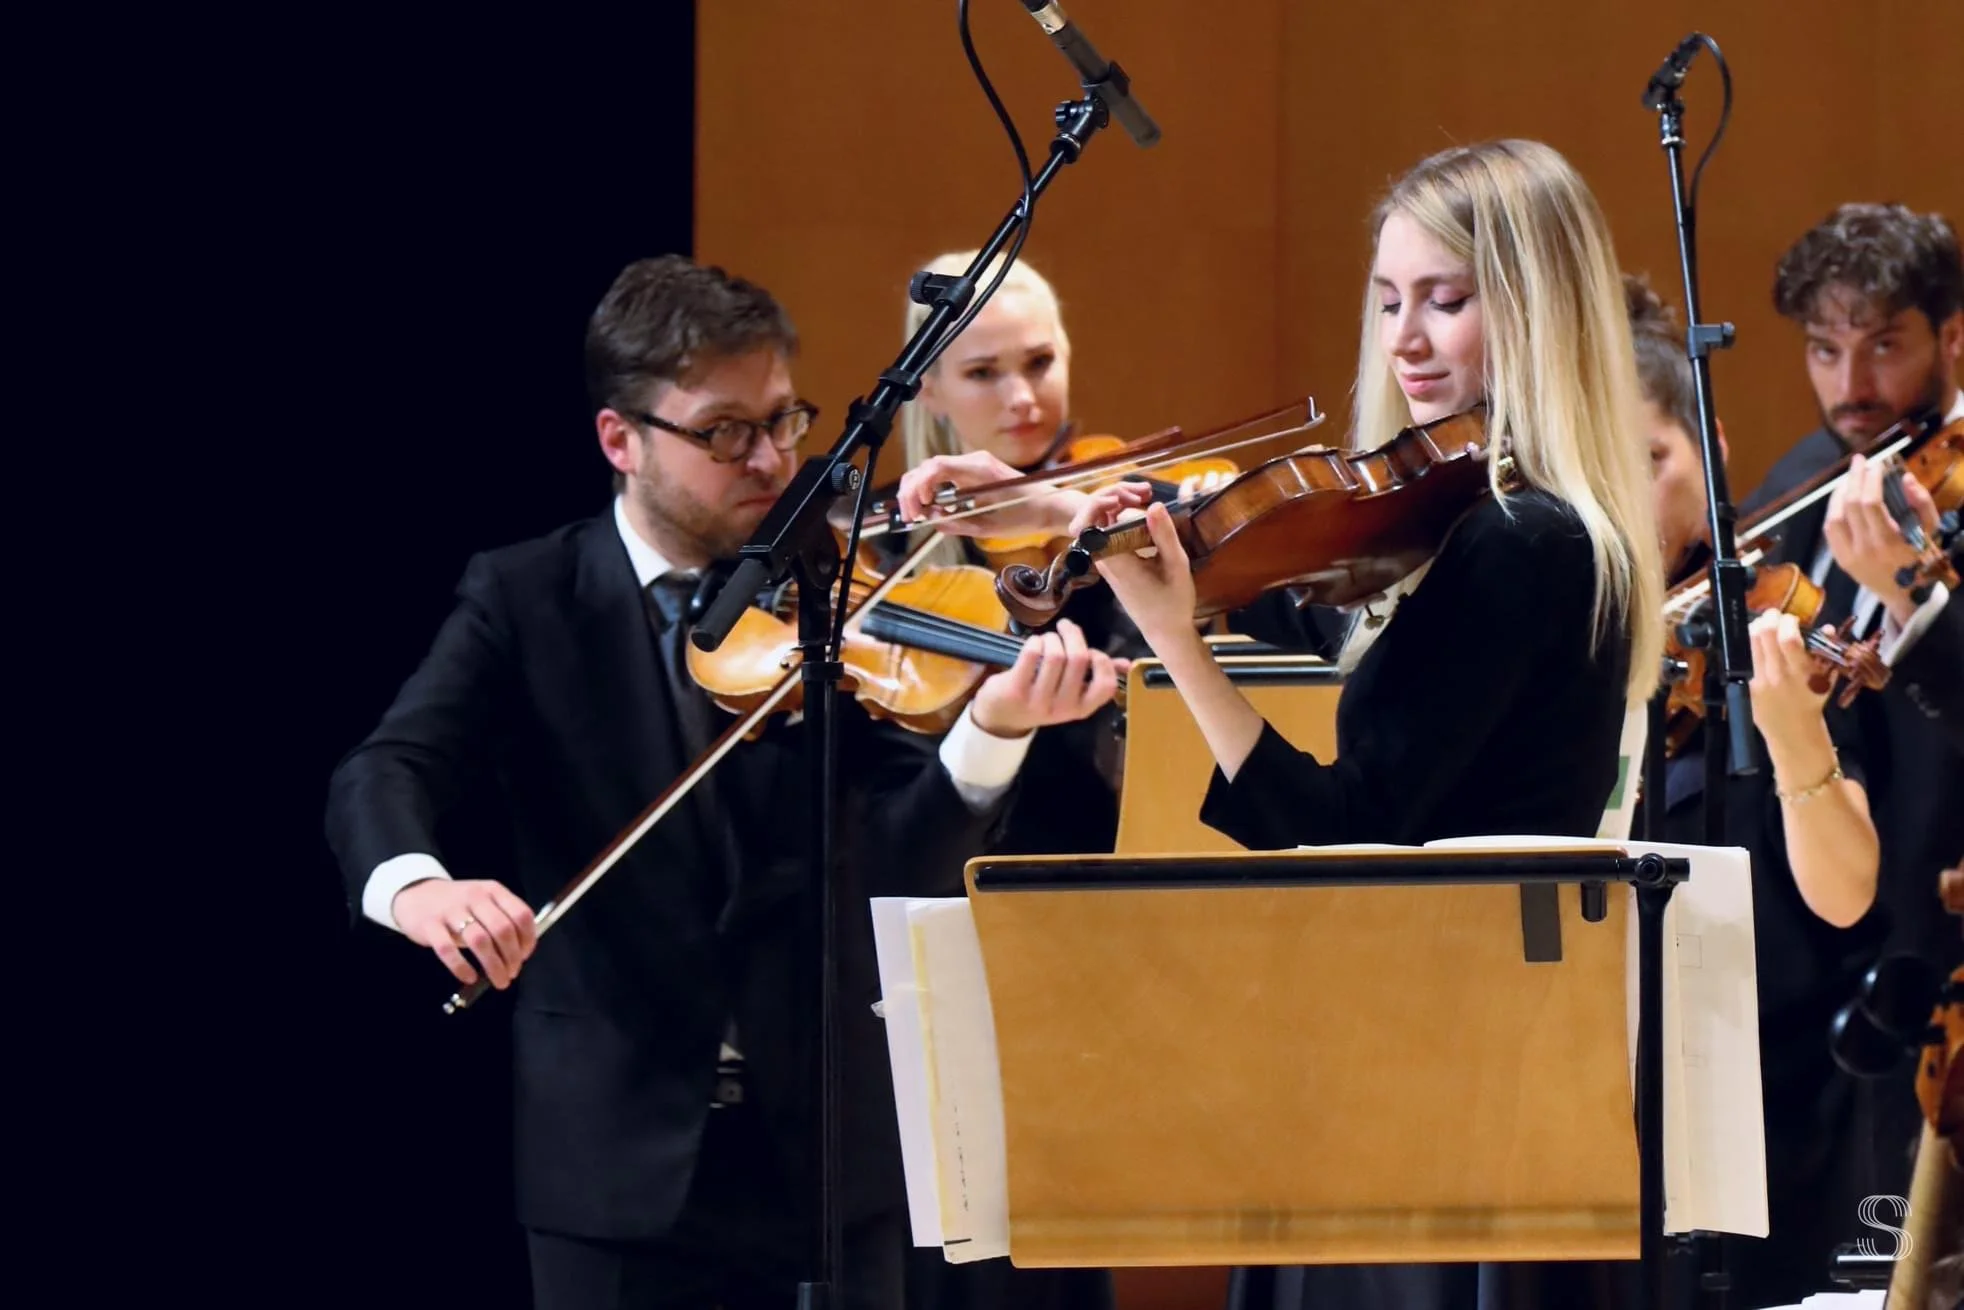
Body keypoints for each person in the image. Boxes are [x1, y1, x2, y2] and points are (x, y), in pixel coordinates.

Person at [897, 138, 1666, 1309]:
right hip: (1449, 1060)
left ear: (1536, 307)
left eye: (1446, 301)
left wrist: (1174, 641)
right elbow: (1290, 547)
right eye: (1389, 297)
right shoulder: (1509, 520)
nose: (1403, 337)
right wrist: (1052, 504)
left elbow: (1334, 830)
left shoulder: (1520, 543)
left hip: (1438, 1081)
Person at [324, 255, 1124, 1310]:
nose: (767, 460)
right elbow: (390, 764)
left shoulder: (839, 595)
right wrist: (417, 884)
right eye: (722, 433)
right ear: (620, 439)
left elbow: (903, 847)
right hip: (610, 1163)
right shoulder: (526, 596)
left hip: (832, 1147)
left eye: (783, 421)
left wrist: (993, 724)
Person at [1625, 274, 1885, 1307]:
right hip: (1616, 1113)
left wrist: (1792, 740)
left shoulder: (1776, 623)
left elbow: (1846, 891)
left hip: (1784, 1113)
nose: (1626, 493)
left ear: (1711, 450)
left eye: (1649, 458)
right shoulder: (1553, 640)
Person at [1741, 203, 1964, 1215]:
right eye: (1823, 350)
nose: (1849, 387)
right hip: (1830, 965)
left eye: (1881, 346)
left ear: (1949, 337)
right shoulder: (1797, 485)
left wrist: (1917, 588)